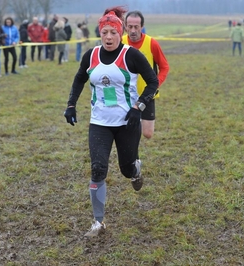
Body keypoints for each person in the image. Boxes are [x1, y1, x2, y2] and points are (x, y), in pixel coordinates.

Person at [63, 6, 158, 237]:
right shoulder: (91, 55)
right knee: (97, 169)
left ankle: (135, 169)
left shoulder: (131, 55)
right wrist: (71, 104)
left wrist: (139, 107)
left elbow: (153, 82)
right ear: (100, 32)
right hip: (99, 122)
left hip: (127, 122)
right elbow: (79, 79)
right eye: (104, 32)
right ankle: (98, 222)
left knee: (126, 170)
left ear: (121, 32)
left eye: (113, 33)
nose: (108, 37)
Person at [122, 10, 170, 139]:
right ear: (125, 26)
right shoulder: (120, 42)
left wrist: (155, 86)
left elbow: (164, 67)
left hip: (146, 94)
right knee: (127, 130)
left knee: (148, 133)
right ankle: (133, 157)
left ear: (141, 27)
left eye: (136, 27)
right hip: (125, 94)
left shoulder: (152, 43)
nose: (132, 30)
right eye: (130, 26)